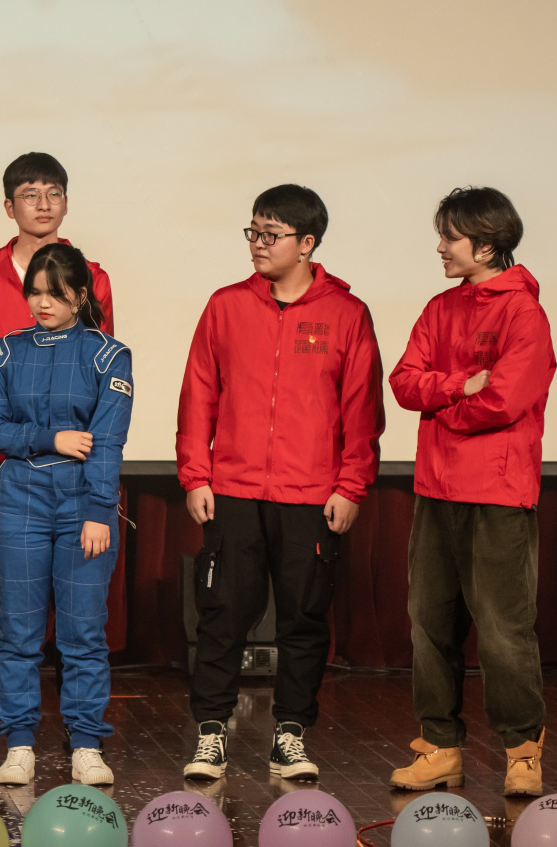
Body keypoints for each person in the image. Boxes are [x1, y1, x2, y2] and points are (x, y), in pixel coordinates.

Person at [175, 184, 384, 781]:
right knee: (222, 615)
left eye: (271, 235)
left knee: (303, 619)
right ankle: (211, 732)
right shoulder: (226, 306)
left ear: (307, 242)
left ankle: (290, 733)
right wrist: (195, 474)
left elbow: (361, 409)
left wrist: (351, 485)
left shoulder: (346, 313)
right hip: (234, 489)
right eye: (254, 232)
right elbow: (198, 394)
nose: (258, 244)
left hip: (311, 495)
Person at [388, 187, 555, 797]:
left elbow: (505, 401)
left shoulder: (523, 313)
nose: (440, 247)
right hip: (437, 489)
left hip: (498, 491)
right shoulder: (439, 308)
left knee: (505, 630)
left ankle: (522, 752)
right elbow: (404, 382)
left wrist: (444, 409)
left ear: (486, 245)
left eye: (450, 237)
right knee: (429, 623)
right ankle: (439, 747)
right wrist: (459, 385)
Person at [0, 152, 115, 755]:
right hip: (2, 460)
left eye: (53, 193)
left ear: (66, 201)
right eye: (29, 194)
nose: (43, 204)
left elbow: (96, 366)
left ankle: (78, 725)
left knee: (75, 608)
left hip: (72, 466)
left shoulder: (91, 273)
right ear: (9, 206)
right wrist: (30, 431)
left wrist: (55, 434)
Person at [0, 242, 133, 787]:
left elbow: (108, 440)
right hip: (19, 499)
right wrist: (53, 438)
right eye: (35, 293)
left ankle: (86, 742)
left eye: (55, 293)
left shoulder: (109, 355)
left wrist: (99, 510)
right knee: (17, 631)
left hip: (83, 503)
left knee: (83, 632)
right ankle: (19, 742)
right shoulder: (4, 352)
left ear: (80, 295)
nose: (42, 303)